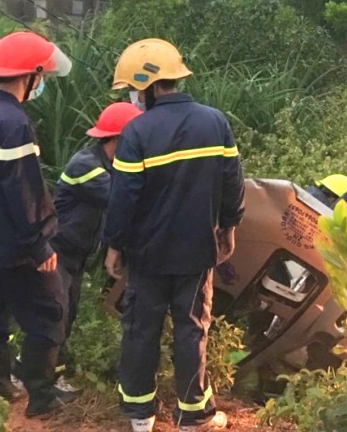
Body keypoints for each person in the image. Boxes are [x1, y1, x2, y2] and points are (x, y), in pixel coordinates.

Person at [103, 38, 244, 432]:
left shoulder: (136, 132)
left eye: (133, 88)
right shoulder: (214, 122)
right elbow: (233, 183)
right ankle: (192, 416)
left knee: (140, 330)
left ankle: (139, 415)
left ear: (146, 85)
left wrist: (114, 245)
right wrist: (229, 227)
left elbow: (124, 198)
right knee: (191, 329)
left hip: (146, 255)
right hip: (197, 251)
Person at [0, 31, 76, 416]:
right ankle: (42, 396)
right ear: (31, 76)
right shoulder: (14, 122)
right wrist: (39, 244)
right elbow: (23, 189)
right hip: (13, 246)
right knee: (50, 311)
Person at [49, 102, 142, 392]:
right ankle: (35, 377)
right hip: (56, 252)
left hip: (76, 255)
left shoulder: (111, 166)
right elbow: (120, 202)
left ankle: (48, 375)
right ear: (118, 139)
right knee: (55, 314)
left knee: (67, 315)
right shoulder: (87, 166)